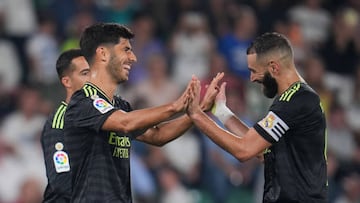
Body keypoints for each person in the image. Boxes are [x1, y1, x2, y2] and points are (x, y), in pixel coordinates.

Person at [64, 22, 222, 202]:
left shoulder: (121, 107)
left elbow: (159, 136)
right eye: (126, 50)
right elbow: (126, 123)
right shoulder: (83, 101)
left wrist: (198, 111)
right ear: (103, 53)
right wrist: (176, 106)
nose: (133, 58)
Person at [187, 32, 328, 202]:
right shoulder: (294, 99)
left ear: (274, 68)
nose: (252, 78)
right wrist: (220, 111)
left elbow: (244, 150)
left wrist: (197, 115)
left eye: (254, 71)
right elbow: (259, 150)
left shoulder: (295, 101)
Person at [40, 49, 91, 202]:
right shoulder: (59, 123)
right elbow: (61, 181)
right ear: (67, 82)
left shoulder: (99, 117)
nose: (92, 79)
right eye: (84, 73)